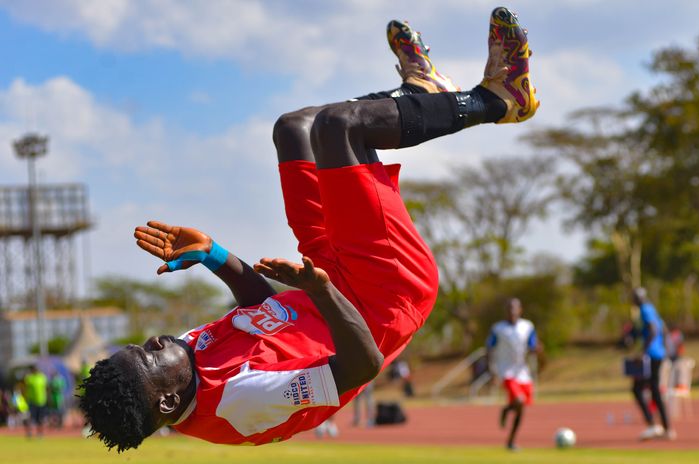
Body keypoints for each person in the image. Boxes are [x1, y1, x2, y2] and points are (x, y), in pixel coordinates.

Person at [78, 8, 538, 452]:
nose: (155, 341)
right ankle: (498, 100)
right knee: (340, 128)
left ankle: (423, 93)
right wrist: (321, 291)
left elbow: (263, 314)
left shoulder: (186, 365)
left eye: (141, 345)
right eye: (149, 357)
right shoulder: (239, 403)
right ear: (167, 401)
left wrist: (215, 254)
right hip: (383, 296)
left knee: (293, 128)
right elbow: (361, 367)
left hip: (332, 275)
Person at [486, 298, 540, 451]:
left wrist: (536, 349)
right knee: (519, 401)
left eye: (515, 308)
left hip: (523, 372)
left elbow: (532, 345)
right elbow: (489, 348)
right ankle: (508, 411)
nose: (512, 311)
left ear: (520, 310)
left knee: (520, 408)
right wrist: (492, 371)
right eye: (509, 308)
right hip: (506, 371)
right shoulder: (498, 329)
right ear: (506, 311)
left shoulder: (527, 326)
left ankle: (510, 440)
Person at [630, 288, 675, 440]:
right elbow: (663, 329)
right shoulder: (652, 308)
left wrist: (644, 351)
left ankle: (654, 426)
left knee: (638, 389)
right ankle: (665, 429)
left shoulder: (645, 309)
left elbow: (654, 329)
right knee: (653, 390)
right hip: (658, 354)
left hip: (652, 356)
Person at [23, 365, 48, 438]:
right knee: (30, 418)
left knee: (40, 419)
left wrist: (47, 398)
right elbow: (24, 388)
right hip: (31, 401)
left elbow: (46, 388)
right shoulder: (29, 378)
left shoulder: (42, 377)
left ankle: (40, 434)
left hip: (41, 401)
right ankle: (29, 433)